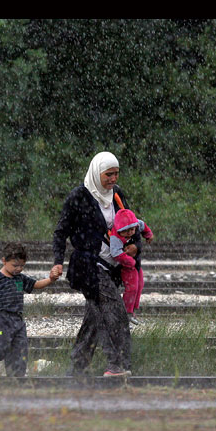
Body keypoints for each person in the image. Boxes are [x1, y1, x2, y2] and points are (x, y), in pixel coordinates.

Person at [51, 151, 141, 377]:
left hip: (112, 267)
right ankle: (117, 366)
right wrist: (57, 262)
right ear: (96, 173)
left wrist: (135, 247)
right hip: (88, 267)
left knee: (95, 318)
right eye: (108, 174)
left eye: (116, 174)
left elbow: (131, 225)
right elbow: (61, 232)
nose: (113, 179)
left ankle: (76, 370)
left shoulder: (117, 195)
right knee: (115, 312)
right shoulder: (79, 197)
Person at [0, 242, 59, 377]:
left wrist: (50, 279)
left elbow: (36, 284)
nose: (18, 269)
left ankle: (16, 377)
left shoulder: (20, 278)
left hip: (17, 320)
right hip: (1, 320)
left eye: (22, 266)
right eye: (15, 265)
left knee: (19, 349)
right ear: (4, 261)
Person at [109, 208, 154, 325]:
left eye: (132, 230)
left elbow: (143, 225)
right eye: (126, 231)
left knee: (140, 285)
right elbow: (116, 253)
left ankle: (133, 310)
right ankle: (126, 314)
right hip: (127, 266)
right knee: (132, 288)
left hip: (136, 263)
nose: (130, 233)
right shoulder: (115, 237)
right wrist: (130, 262)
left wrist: (148, 234)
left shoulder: (137, 225)